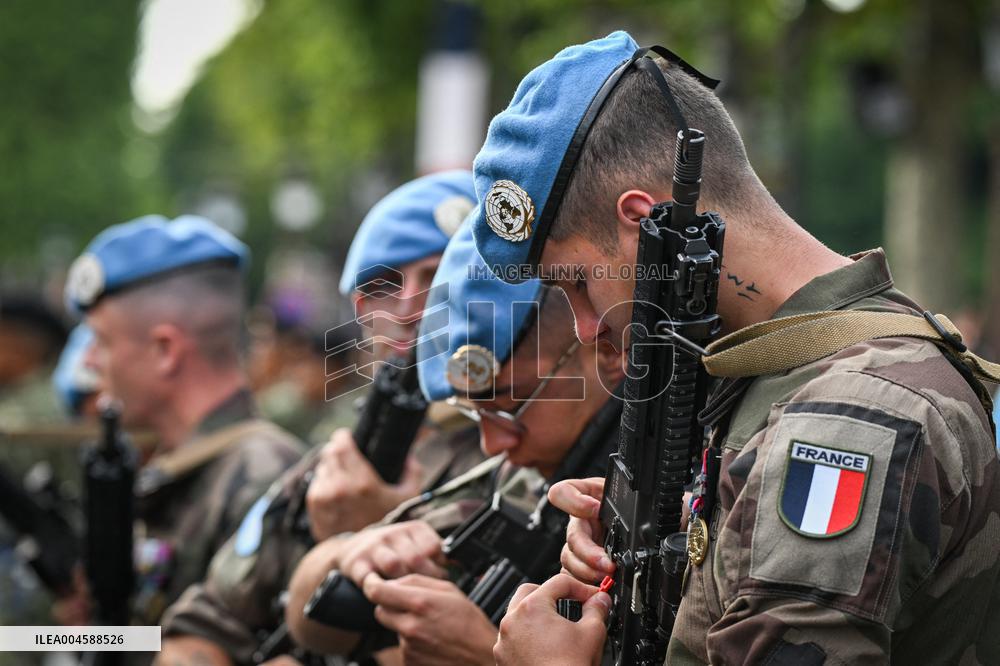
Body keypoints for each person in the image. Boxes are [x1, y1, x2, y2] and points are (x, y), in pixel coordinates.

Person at [471, 31, 1000, 665]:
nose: (584, 327)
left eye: (577, 284)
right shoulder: (770, 373)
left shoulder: (851, 421)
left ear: (643, 225)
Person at [157, 172, 487, 666]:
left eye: (440, 275)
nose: (411, 305)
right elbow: (200, 630)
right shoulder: (332, 466)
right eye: (383, 286)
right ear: (360, 310)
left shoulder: (524, 461)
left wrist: (368, 534)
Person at [283, 223, 625, 665]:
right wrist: (347, 551)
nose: (492, 442)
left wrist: (483, 654)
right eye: (475, 413)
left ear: (605, 352)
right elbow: (311, 623)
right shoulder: (519, 481)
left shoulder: (675, 477)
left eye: (511, 406)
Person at [62, 214, 305, 624]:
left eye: (101, 342)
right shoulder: (184, 470)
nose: (89, 363)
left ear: (165, 351)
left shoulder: (261, 478)